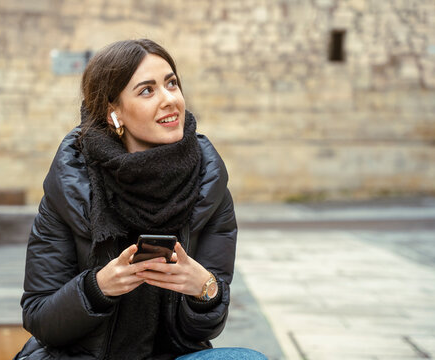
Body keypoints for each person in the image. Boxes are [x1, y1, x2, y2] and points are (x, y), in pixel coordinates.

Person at [14, 39, 267, 360]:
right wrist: (98, 287)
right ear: (113, 112)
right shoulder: (71, 187)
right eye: (147, 90)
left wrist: (206, 290)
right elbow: (40, 318)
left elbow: (201, 332)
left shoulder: (209, 186)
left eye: (171, 84)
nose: (169, 100)